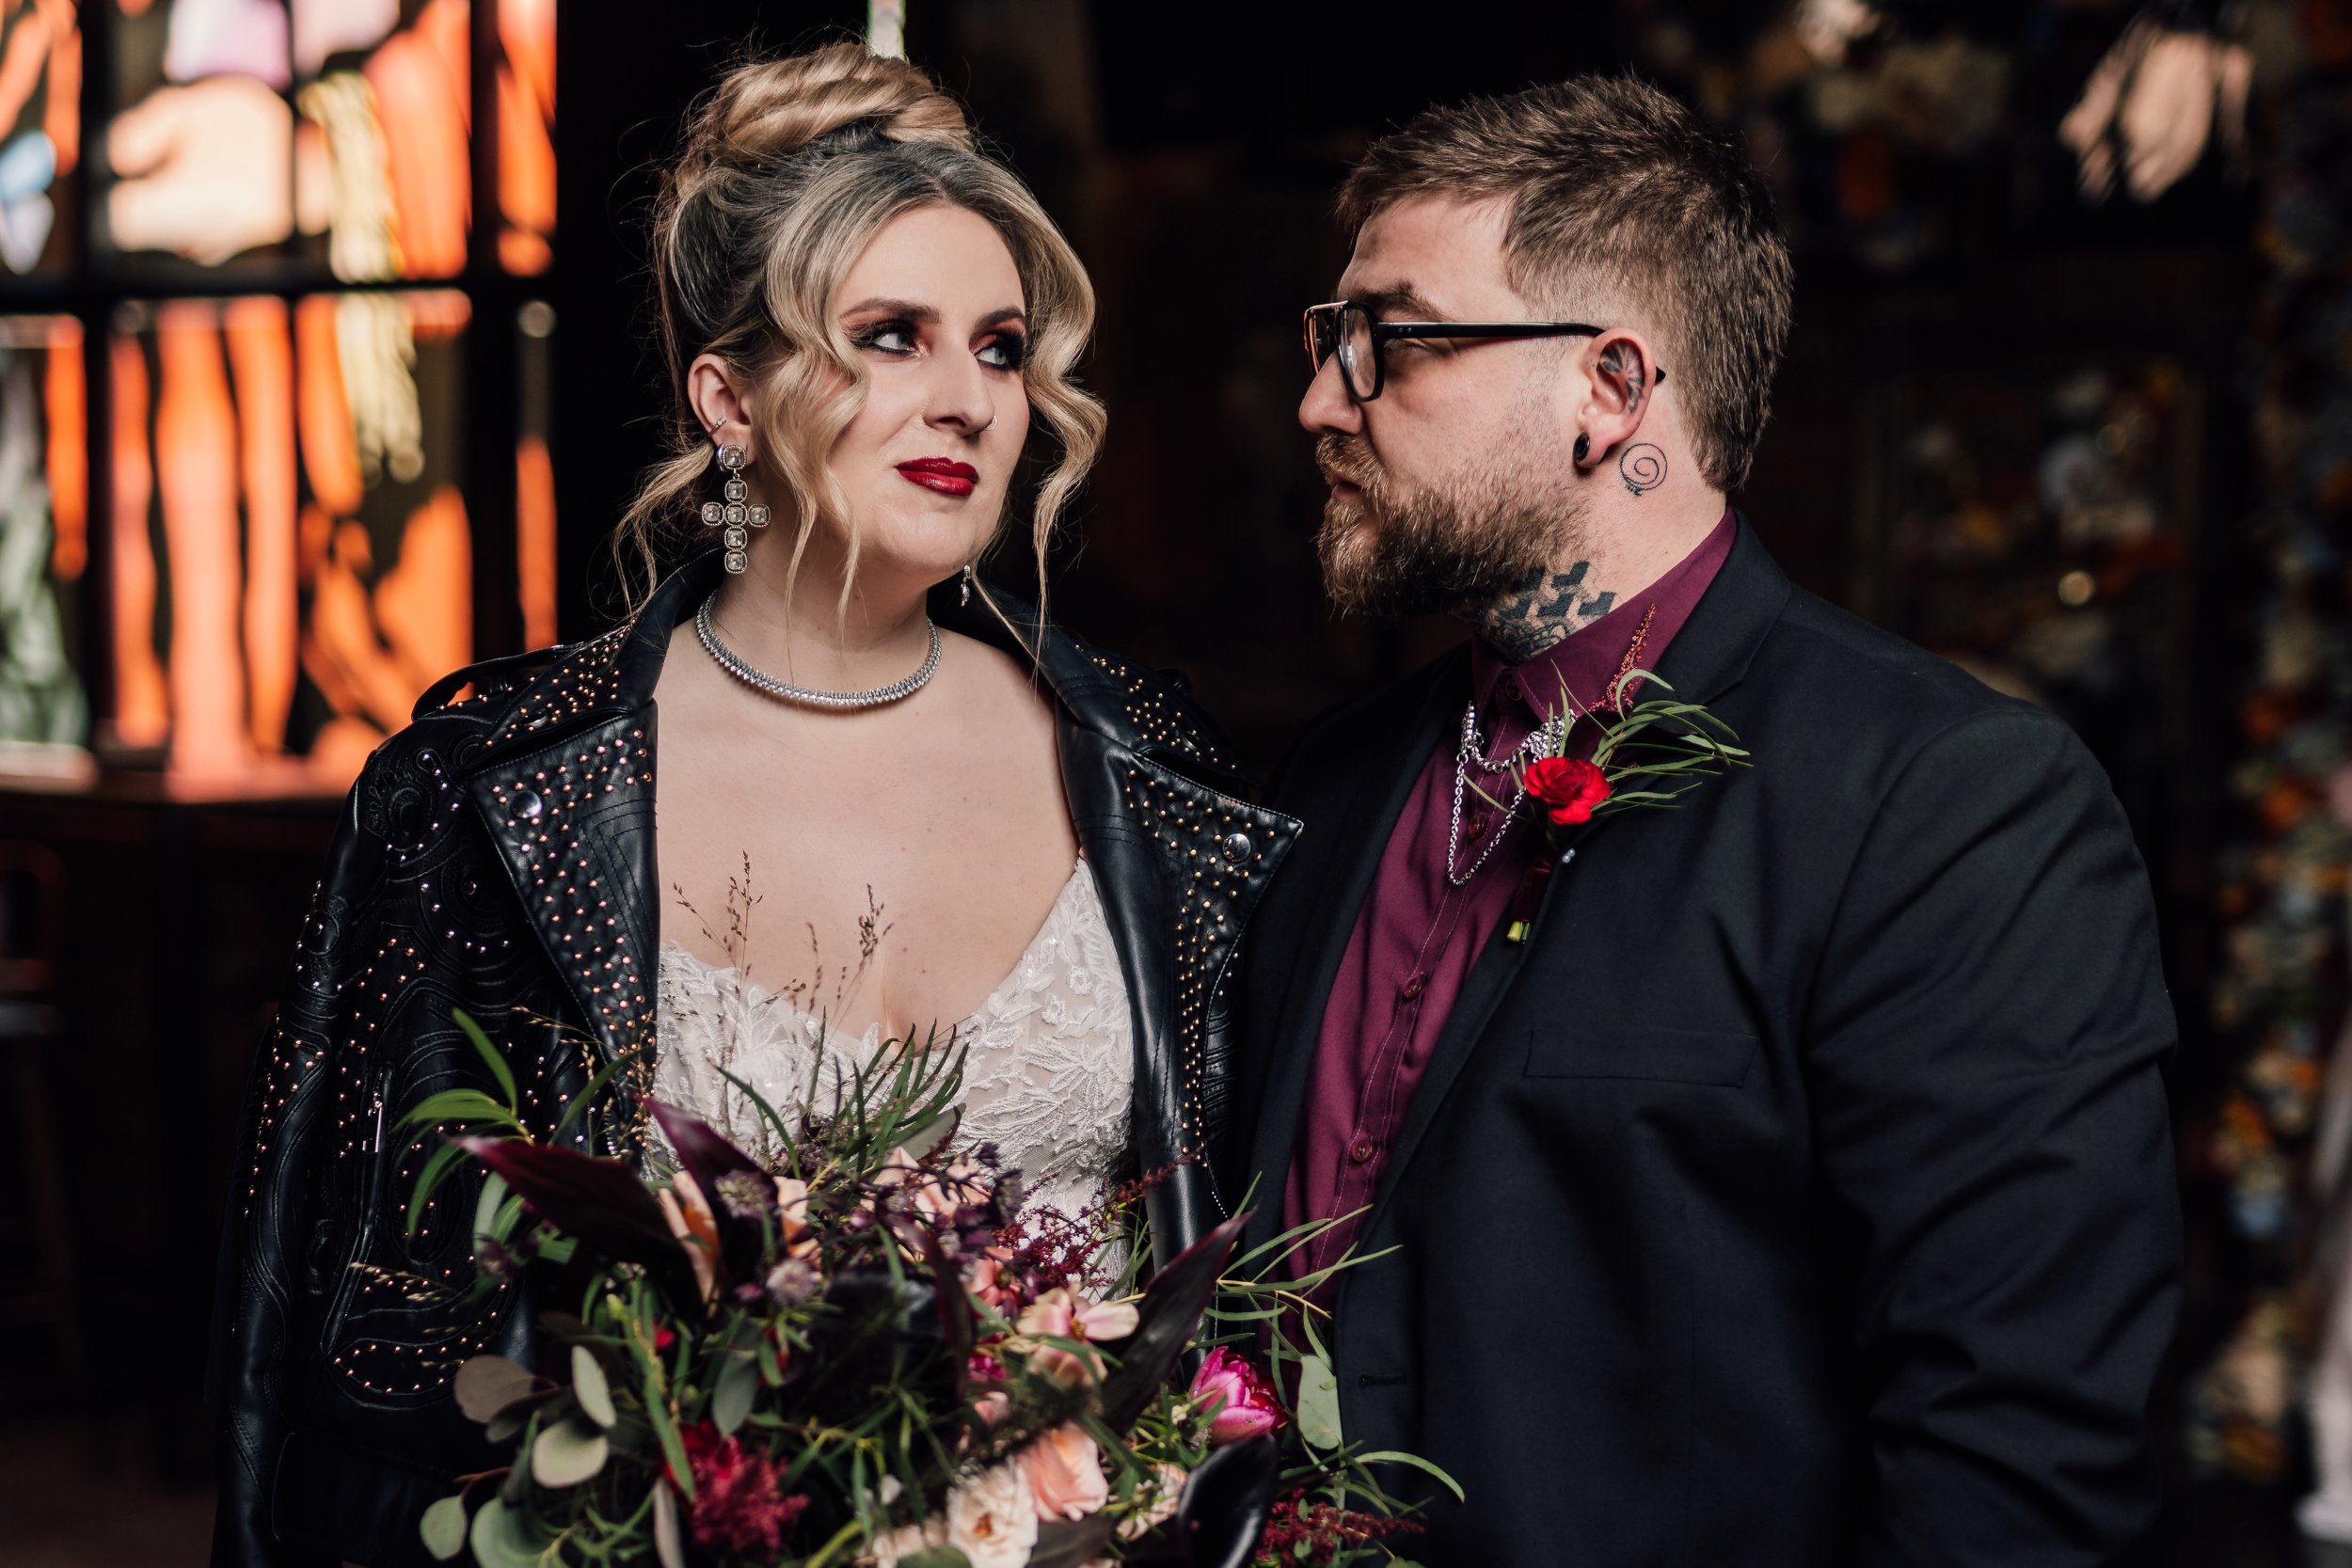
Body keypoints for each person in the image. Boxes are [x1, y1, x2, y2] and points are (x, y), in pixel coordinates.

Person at [208, 43, 1297, 1567]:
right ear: (729, 396)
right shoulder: (493, 802)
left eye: (997, 347)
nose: (969, 401)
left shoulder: (1160, 783)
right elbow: (346, 1342)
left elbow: (1259, 1297)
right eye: (889, 337)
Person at [1228, 76, 2182, 1564]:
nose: (1318, 402)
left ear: (1612, 390)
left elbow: (2016, 1462)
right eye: (1324, 341)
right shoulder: (1331, 779)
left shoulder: (1947, 806)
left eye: (1389, 344)